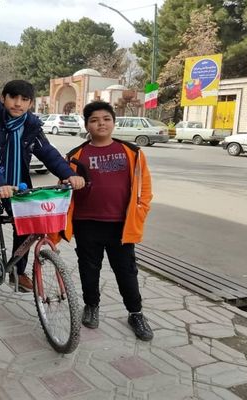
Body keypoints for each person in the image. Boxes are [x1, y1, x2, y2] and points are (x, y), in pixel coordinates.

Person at [0, 79, 85, 313]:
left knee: (26, 226)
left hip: (16, 181)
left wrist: (69, 174)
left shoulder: (31, 124)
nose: (18, 103)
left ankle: (18, 271)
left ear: (30, 103)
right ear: (3, 97)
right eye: (13, 97)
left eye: (24, 99)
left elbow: (47, 152)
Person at [57, 100, 154, 341]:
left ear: (114, 122)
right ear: (87, 125)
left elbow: (145, 189)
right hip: (86, 222)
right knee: (89, 269)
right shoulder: (76, 155)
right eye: (94, 120)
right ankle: (91, 306)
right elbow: (65, 189)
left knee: (126, 271)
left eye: (106, 119)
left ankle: (136, 313)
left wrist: (139, 213)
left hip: (120, 225)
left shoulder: (132, 152)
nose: (101, 123)